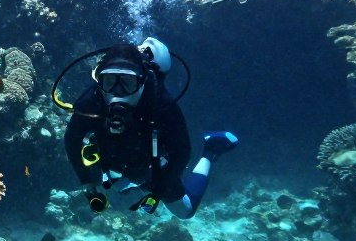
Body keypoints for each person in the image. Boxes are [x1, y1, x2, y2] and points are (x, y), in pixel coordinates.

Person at [59, 38, 237, 219]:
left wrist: (161, 187)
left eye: (127, 83)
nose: (117, 92)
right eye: (109, 81)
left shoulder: (159, 102)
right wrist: (86, 180)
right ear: (99, 80)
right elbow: (71, 139)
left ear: (142, 81)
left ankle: (211, 149)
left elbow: (182, 151)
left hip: (152, 166)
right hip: (113, 160)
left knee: (186, 211)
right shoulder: (92, 100)